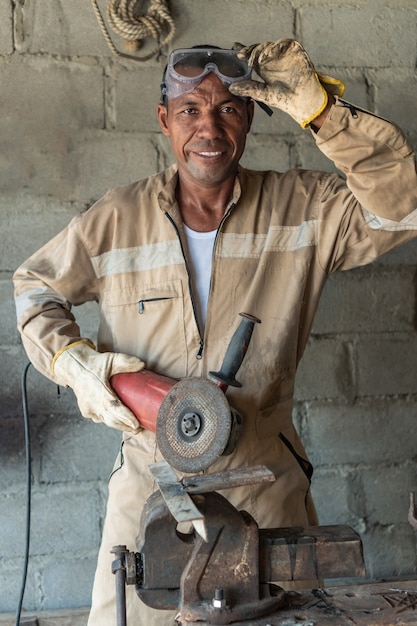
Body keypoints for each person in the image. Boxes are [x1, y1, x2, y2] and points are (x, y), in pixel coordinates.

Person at [13, 38, 417, 626]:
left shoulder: (302, 207)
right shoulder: (116, 219)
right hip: (149, 490)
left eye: (227, 108)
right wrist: (76, 362)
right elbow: (34, 288)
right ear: (164, 120)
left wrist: (323, 114)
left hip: (265, 487)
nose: (209, 127)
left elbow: (400, 207)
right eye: (190, 110)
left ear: (250, 117)